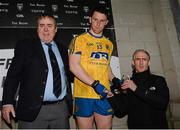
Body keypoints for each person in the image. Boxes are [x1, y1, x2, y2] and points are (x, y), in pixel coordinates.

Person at [1, 14, 73, 129]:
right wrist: (7, 102)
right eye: (41, 25)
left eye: (49, 26)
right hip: (32, 109)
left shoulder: (63, 49)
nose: (45, 29)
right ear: (37, 28)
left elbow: (68, 75)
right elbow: (13, 76)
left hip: (61, 110)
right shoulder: (25, 46)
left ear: (55, 29)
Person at [68, 5, 122, 129]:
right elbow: (73, 66)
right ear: (90, 19)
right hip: (84, 94)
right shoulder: (79, 40)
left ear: (106, 22)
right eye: (95, 19)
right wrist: (95, 84)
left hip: (104, 94)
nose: (98, 24)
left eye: (102, 21)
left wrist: (114, 79)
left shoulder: (108, 44)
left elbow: (106, 67)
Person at [108, 49, 170, 129]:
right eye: (137, 59)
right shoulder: (128, 84)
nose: (141, 63)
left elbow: (162, 103)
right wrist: (112, 98)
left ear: (149, 62)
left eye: (144, 59)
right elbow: (120, 112)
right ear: (133, 63)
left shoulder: (158, 80)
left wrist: (136, 89)